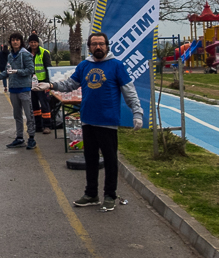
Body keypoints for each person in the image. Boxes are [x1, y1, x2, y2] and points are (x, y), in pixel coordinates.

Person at [42, 32, 143, 211]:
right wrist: (51, 86)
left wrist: (137, 112)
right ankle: (91, 194)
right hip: (88, 120)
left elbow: (129, 91)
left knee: (110, 160)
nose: (98, 47)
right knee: (91, 159)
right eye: (94, 44)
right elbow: (70, 84)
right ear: (88, 47)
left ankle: (110, 195)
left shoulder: (117, 66)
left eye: (101, 44)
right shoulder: (84, 66)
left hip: (107, 122)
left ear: (107, 46)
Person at [0, 32, 36, 149]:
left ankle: (31, 137)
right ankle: (20, 137)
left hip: (24, 88)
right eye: (13, 40)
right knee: (17, 115)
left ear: (21, 41)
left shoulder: (25, 54)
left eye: (17, 40)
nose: (15, 42)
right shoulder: (11, 56)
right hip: (13, 89)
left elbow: (30, 70)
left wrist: (18, 71)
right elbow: (6, 72)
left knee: (28, 114)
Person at [28, 33, 54, 134]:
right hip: (31, 84)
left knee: (44, 105)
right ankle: (38, 126)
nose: (33, 44)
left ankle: (47, 125)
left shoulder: (44, 52)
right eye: (31, 42)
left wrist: (47, 83)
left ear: (38, 43)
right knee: (34, 105)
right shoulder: (27, 53)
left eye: (35, 42)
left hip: (42, 83)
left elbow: (48, 68)